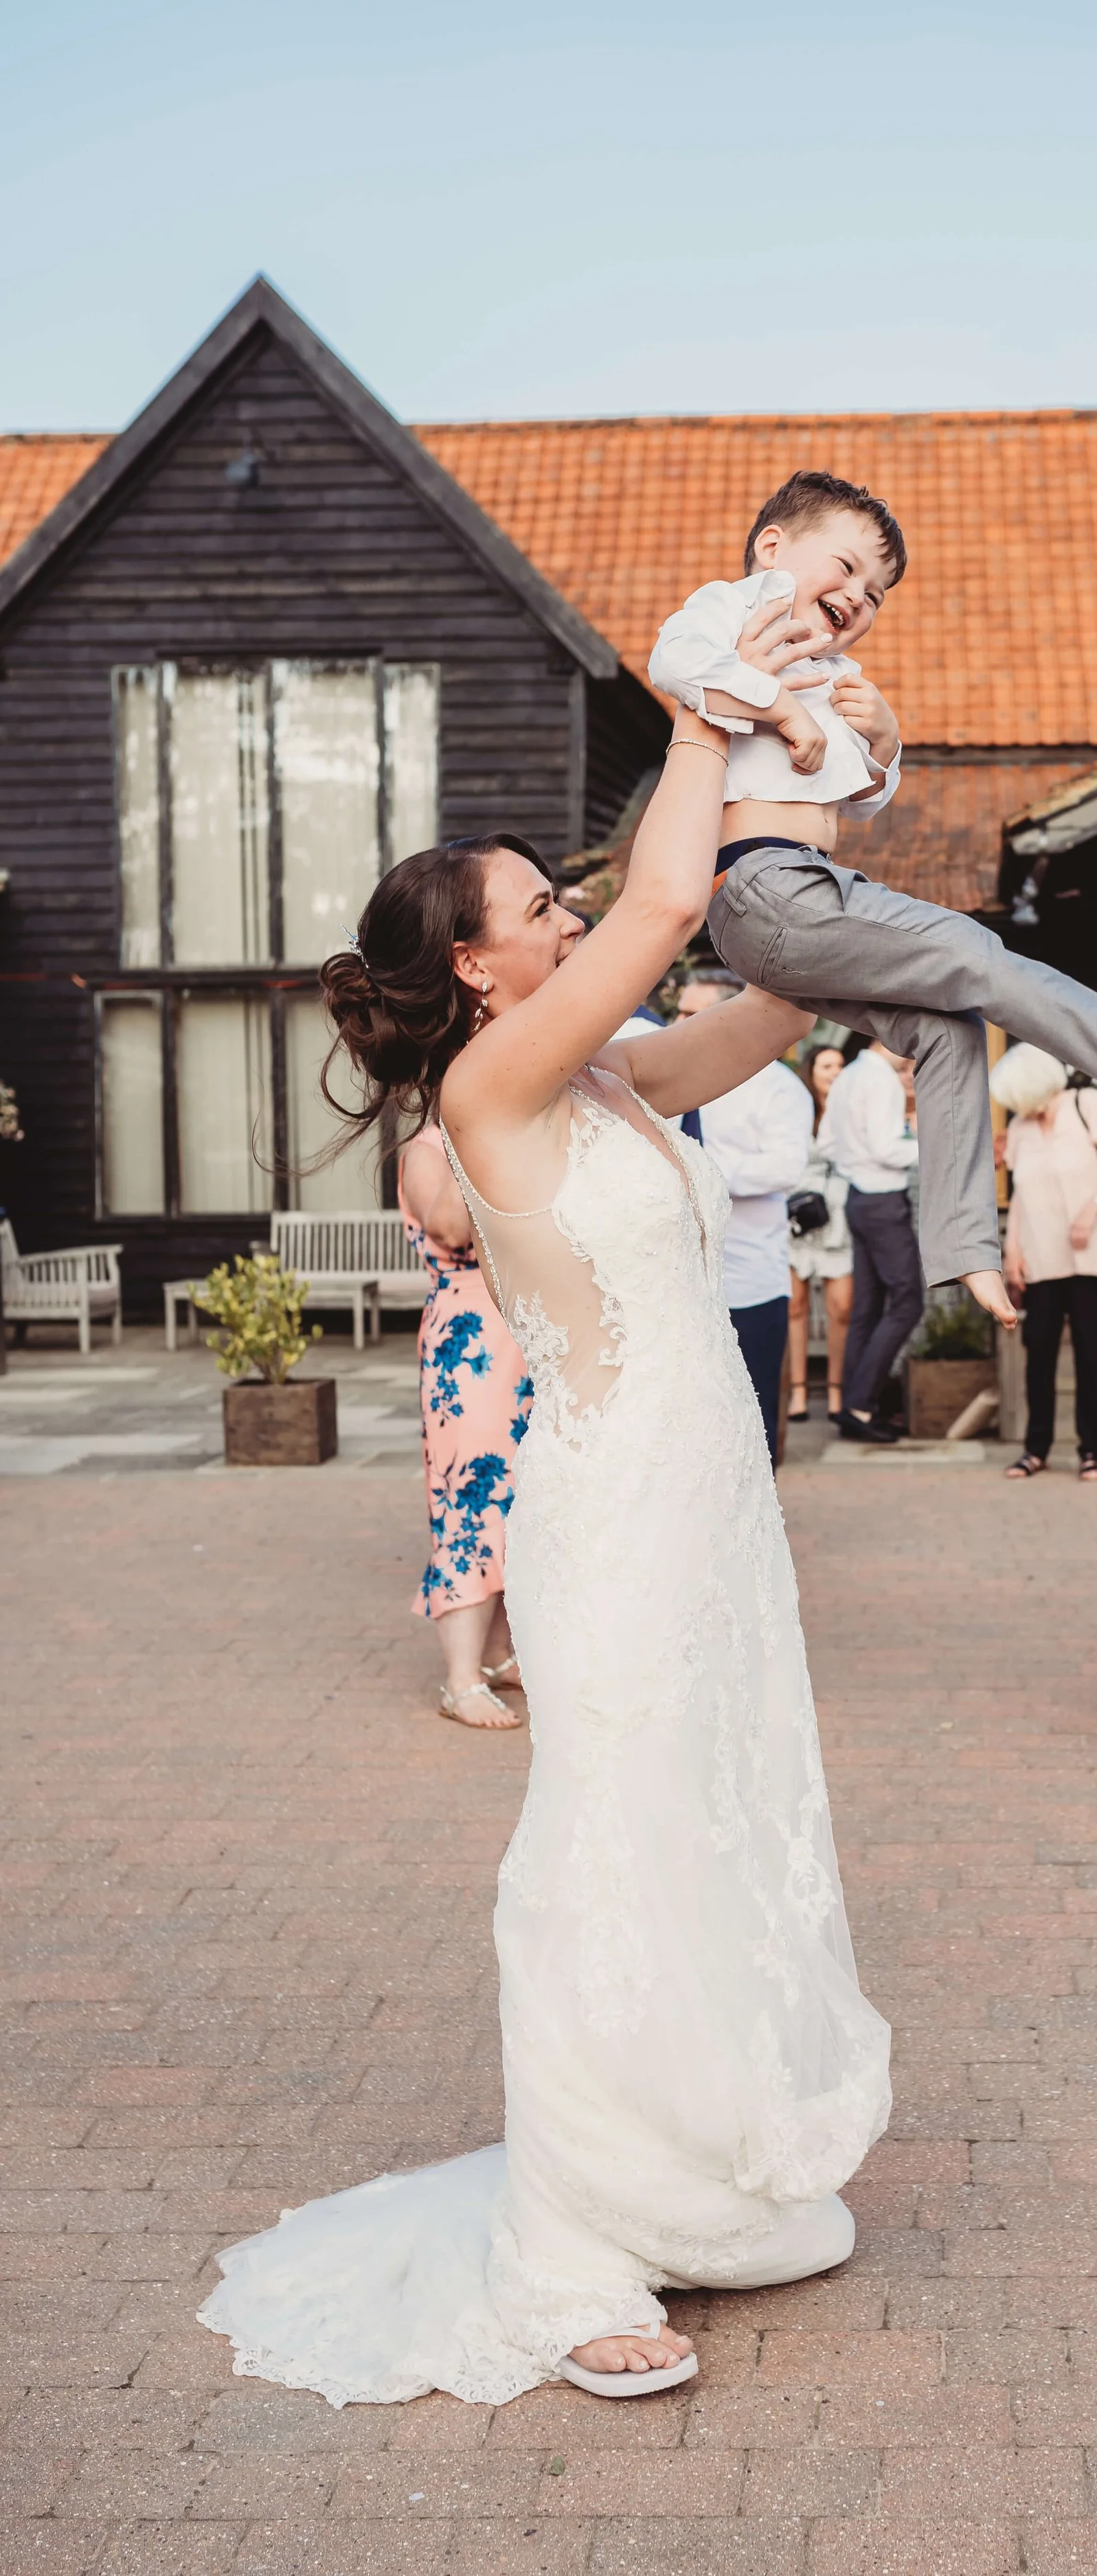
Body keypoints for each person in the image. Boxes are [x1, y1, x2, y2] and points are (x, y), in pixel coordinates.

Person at [199, 715, 892, 2406]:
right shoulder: (492, 1084)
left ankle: (696, 2174)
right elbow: (664, 897)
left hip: (710, 1504)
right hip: (612, 1515)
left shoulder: (608, 1072)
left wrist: (819, 814)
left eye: (567, 901)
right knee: (606, 1835)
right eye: (540, 906)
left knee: (709, 1819)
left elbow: (775, 996)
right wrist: (702, 711)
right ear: (476, 964)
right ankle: (573, 2242)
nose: (572, 917)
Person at [649, 469, 1097, 1322]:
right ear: (773, 548)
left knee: (947, 1032)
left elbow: (857, 794)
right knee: (970, 952)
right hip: (763, 884)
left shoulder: (836, 674)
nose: (856, 596)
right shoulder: (734, 611)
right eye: (845, 568)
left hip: (807, 895)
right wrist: (781, 704)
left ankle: (966, 1249)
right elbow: (676, 662)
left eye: (875, 592)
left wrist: (884, 743)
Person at [396, 1119, 533, 1728]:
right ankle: (459, 1680)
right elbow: (449, 1227)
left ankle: (500, 1654)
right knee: (469, 1498)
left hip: (529, 1335)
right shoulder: (428, 1151)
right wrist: (480, 1136)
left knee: (520, 1502)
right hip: (469, 1337)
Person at [674, 964, 813, 1457]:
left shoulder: (777, 1087)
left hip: (748, 1279)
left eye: (691, 1014)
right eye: (677, 1012)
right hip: (676, 1283)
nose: (676, 1024)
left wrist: (694, 1167)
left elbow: (785, 1167)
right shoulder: (666, 1081)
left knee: (753, 1427)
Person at [991, 1045, 1097, 1482]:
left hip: (1094, 1254)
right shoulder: (1020, 1127)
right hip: (1042, 1258)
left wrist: (1093, 1207)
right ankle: (1035, 1449)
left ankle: (1092, 1452)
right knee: (1039, 1354)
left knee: (1093, 1356)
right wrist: (1012, 1251)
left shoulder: (1087, 1105)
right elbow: (1019, 1194)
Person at [820, 1037, 922, 1444]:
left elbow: (827, 1142)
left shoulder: (848, 1076)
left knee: (868, 1307)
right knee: (908, 1301)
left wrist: (854, 1160)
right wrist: (931, 1145)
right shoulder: (881, 1079)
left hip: (857, 1197)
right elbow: (886, 1149)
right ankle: (861, 1405)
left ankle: (852, 1407)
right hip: (882, 1200)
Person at [787, 1040, 855, 1421]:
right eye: (827, 1066)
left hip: (838, 1217)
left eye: (840, 1065)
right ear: (812, 1072)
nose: (835, 1073)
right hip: (798, 1214)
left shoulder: (849, 1112)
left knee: (841, 1307)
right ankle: (797, 1392)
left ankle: (836, 1390)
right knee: (795, 1305)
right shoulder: (797, 1111)